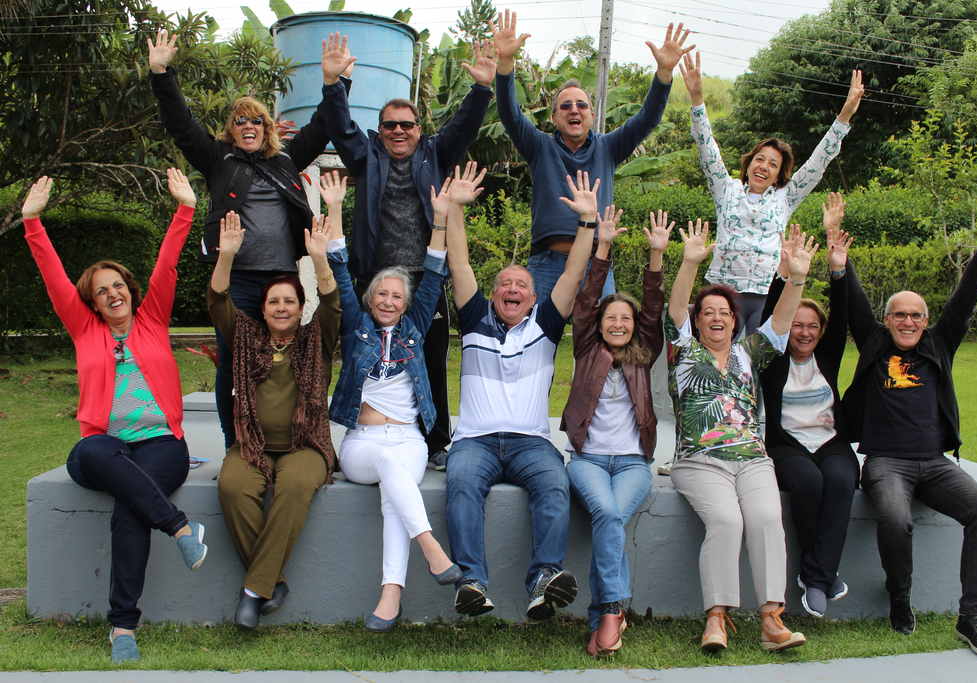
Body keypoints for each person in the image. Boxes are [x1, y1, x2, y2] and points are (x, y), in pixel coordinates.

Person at [22, 170, 208, 663]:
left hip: (161, 445)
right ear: (93, 303)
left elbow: (168, 264)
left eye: (117, 284)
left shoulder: (152, 320)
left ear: (129, 287)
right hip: (105, 448)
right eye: (101, 291)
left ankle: (122, 628)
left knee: (130, 509)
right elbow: (54, 278)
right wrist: (32, 223)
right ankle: (180, 529)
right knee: (92, 449)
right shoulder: (84, 331)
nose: (112, 293)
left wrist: (185, 209)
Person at [148, 29, 355, 448]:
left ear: (266, 128)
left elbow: (321, 125)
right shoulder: (218, 160)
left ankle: (290, 433)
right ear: (231, 129)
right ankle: (233, 442)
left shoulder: (285, 161)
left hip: (281, 279)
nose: (248, 126)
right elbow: (181, 125)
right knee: (231, 365)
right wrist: (160, 73)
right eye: (240, 121)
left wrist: (338, 83)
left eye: (256, 120)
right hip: (237, 281)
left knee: (291, 360)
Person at [843, 191, 977, 659]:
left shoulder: (939, 345)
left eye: (916, 315)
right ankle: (899, 596)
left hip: (935, 463)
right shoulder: (875, 345)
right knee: (896, 519)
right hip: (886, 464)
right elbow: (854, 301)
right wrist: (840, 262)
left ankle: (973, 618)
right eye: (899, 314)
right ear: (886, 321)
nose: (908, 321)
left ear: (925, 321)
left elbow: (965, 298)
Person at [328, 40, 496, 469]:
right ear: (380, 130)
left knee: (432, 354)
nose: (398, 131)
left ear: (419, 129)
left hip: (424, 278)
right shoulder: (366, 157)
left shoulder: (434, 155)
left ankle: (437, 440)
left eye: (407, 125)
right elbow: (339, 124)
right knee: (364, 356)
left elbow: (462, 128)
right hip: (375, 279)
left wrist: (480, 90)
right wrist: (334, 83)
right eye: (389, 126)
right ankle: (362, 428)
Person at [444, 170, 600, 619]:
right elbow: (460, 263)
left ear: (534, 299)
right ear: (493, 296)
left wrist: (587, 223)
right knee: (460, 486)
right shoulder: (474, 319)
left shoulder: (546, 325)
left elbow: (573, 272)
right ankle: (471, 581)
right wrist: (455, 209)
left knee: (555, 484)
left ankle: (543, 578)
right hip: (475, 440)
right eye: (505, 285)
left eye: (521, 286)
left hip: (531, 441)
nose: (512, 289)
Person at [321, 168, 465, 632]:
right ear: (371, 298)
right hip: (361, 442)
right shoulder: (356, 326)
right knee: (388, 469)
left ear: (406, 304)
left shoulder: (415, 328)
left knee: (395, 490)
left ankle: (390, 595)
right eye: (381, 293)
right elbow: (340, 269)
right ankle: (431, 548)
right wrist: (337, 208)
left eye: (396, 295)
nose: (388, 300)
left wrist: (440, 220)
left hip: (409, 440)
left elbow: (435, 271)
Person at [666, 217, 817, 652]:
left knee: (768, 520)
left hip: (752, 458)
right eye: (707, 313)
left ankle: (771, 619)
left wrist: (797, 278)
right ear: (698, 323)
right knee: (727, 520)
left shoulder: (748, 353)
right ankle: (717, 618)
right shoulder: (683, 349)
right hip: (698, 461)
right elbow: (676, 307)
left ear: (735, 322)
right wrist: (691, 263)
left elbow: (783, 321)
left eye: (724, 313)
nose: (716, 318)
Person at [491, 9, 693, 302]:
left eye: (582, 105)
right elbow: (509, 113)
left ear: (592, 114)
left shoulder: (608, 147)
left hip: (596, 261)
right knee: (536, 340)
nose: (574, 110)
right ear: (554, 117)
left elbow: (647, 118)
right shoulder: (539, 147)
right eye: (566, 106)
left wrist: (663, 75)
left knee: (604, 341)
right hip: (547, 265)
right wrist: (506, 62)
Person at [208, 209, 340, 630]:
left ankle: (251, 592)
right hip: (251, 446)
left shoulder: (315, 338)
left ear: (302, 308)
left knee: (295, 486)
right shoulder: (245, 337)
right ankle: (270, 583)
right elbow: (217, 300)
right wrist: (226, 256)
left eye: (289, 301)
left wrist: (319, 260)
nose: (281, 307)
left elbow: (333, 303)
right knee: (232, 486)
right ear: (263, 309)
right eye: (274, 301)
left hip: (306, 447)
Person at [678, 50, 863, 335]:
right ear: (749, 162)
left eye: (773, 164)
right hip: (723, 295)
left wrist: (845, 115)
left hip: (767, 295)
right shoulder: (726, 189)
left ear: (780, 174)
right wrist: (697, 100)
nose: (764, 167)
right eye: (759, 159)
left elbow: (818, 162)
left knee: (759, 363)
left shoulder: (785, 197)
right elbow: (707, 148)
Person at [562, 208, 669, 656]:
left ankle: (604, 615)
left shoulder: (644, 351)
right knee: (608, 517)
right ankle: (612, 612)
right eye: (613, 319)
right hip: (587, 460)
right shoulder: (587, 347)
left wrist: (656, 257)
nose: (620, 324)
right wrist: (601, 248)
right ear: (601, 324)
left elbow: (653, 308)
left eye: (626, 319)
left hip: (632, 464)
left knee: (608, 517)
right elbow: (585, 301)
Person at [758, 195, 859, 618]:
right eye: (796, 325)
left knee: (840, 481)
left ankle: (815, 578)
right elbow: (770, 314)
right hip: (786, 444)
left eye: (811, 326)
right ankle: (821, 576)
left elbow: (844, 314)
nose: (803, 332)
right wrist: (784, 274)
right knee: (809, 484)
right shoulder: (774, 357)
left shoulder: (828, 354)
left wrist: (839, 266)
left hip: (830, 441)